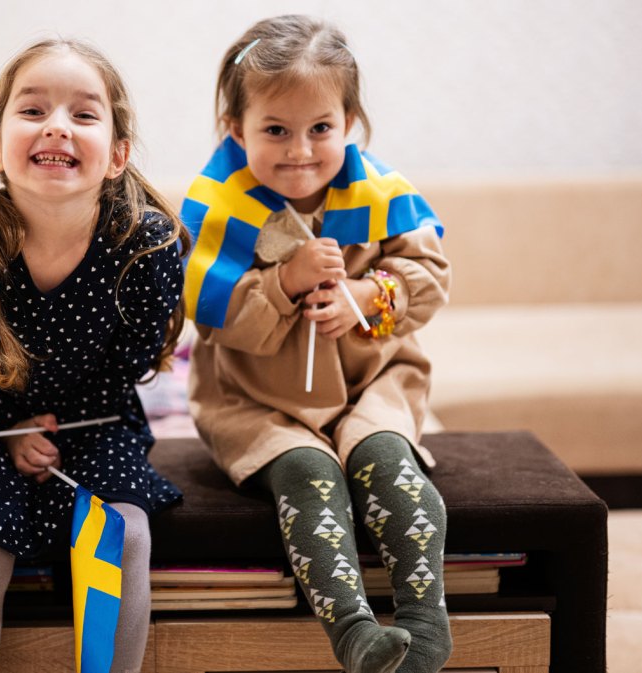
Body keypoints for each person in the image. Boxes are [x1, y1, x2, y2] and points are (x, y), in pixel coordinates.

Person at [0, 38, 189, 673]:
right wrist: (9, 433)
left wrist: (59, 429)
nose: (57, 125)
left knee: (126, 534)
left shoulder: (147, 247)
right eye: (33, 111)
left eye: (84, 115)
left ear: (117, 155)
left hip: (96, 419)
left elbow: (134, 359)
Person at [186, 15, 452, 673]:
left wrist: (366, 296)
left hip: (371, 380)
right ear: (235, 128)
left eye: (321, 129)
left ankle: (424, 621)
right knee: (308, 474)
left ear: (350, 122)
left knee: (388, 457)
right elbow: (212, 315)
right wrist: (283, 282)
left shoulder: (382, 195)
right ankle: (355, 632)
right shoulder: (218, 208)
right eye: (275, 129)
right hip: (257, 398)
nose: (299, 150)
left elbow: (430, 278)